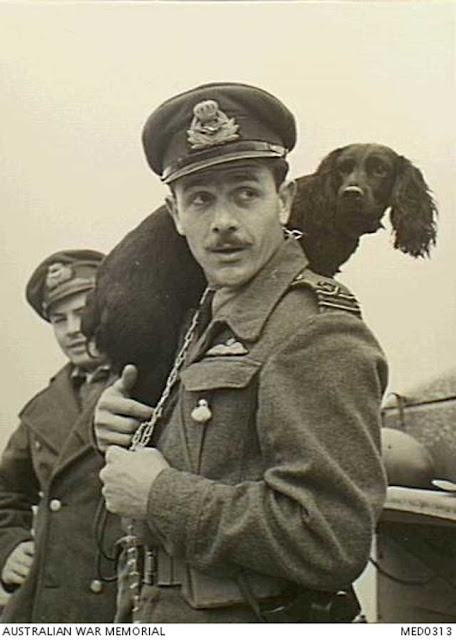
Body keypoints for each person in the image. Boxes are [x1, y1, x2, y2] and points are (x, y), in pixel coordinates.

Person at [95, 82, 388, 623]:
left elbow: (328, 538)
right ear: (175, 213)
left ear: (284, 200)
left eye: (245, 193)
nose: (223, 221)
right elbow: (217, 456)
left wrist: (159, 494)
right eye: (200, 199)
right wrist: (123, 429)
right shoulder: (203, 317)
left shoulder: (316, 330)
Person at [0, 250, 122, 623]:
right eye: (58, 319)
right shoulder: (44, 406)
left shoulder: (149, 385)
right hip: (49, 607)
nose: (72, 328)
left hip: (123, 604)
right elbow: (6, 491)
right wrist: (9, 548)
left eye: (82, 311)